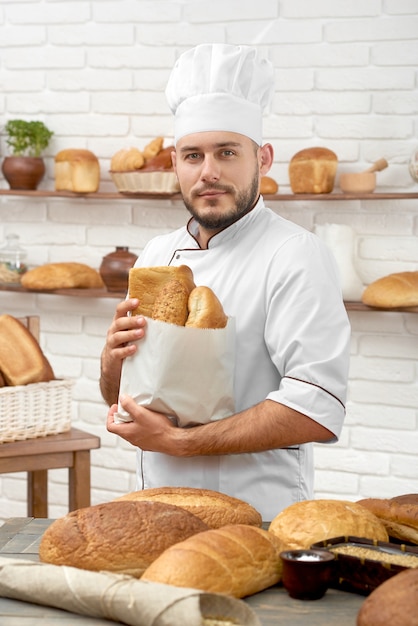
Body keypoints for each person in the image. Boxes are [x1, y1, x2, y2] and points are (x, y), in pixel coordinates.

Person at [100, 43, 351, 521]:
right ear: (176, 163)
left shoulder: (295, 254)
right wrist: (113, 362)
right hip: (160, 508)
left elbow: (316, 406)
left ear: (264, 158)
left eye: (227, 152)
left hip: (260, 515)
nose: (208, 172)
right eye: (193, 155)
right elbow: (123, 393)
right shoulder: (156, 255)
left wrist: (180, 443)